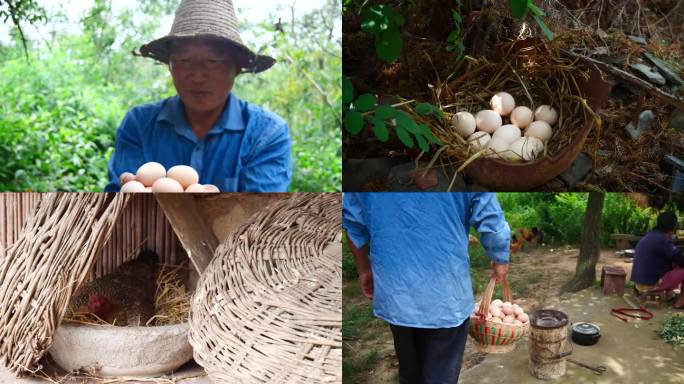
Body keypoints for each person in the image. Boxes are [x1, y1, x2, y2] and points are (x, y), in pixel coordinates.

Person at [105, 0, 291, 192]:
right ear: (170, 66)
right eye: (184, 60)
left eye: (213, 61)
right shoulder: (138, 124)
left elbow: (262, 214)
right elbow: (118, 202)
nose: (197, 76)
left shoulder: (267, 134)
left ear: (236, 68)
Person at [342, 193, 511, 384]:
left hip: (397, 295)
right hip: (446, 295)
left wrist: (363, 268)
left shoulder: (362, 166)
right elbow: (489, 214)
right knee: (441, 375)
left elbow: (353, 222)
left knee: (409, 370)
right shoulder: (462, 164)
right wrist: (499, 256)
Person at [631, 211, 684, 308]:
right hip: (649, 285)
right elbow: (681, 260)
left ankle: (668, 294)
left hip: (638, 283)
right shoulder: (663, 240)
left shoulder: (650, 236)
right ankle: (680, 302)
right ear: (672, 228)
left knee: (674, 264)